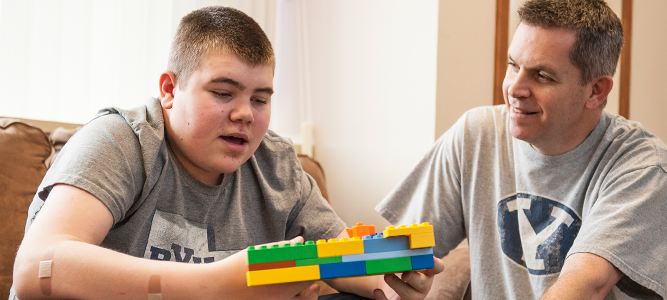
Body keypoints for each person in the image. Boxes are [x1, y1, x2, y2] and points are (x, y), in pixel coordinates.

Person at [11, 6, 443, 300]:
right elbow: (35, 268)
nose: (244, 115)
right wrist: (213, 284)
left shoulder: (276, 164)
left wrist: (385, 280)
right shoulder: (121, 140)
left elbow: (333, 256)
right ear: (169, 90)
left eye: (260, 99)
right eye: (223, 92)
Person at [376, 0, 667, 299]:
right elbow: (400, 255)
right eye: (513, 65)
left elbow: (585, 288)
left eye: (542, 76)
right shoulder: (476, 134)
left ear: (596, 90)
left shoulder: (642, 167)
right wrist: (395, 281)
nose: (514, 88)